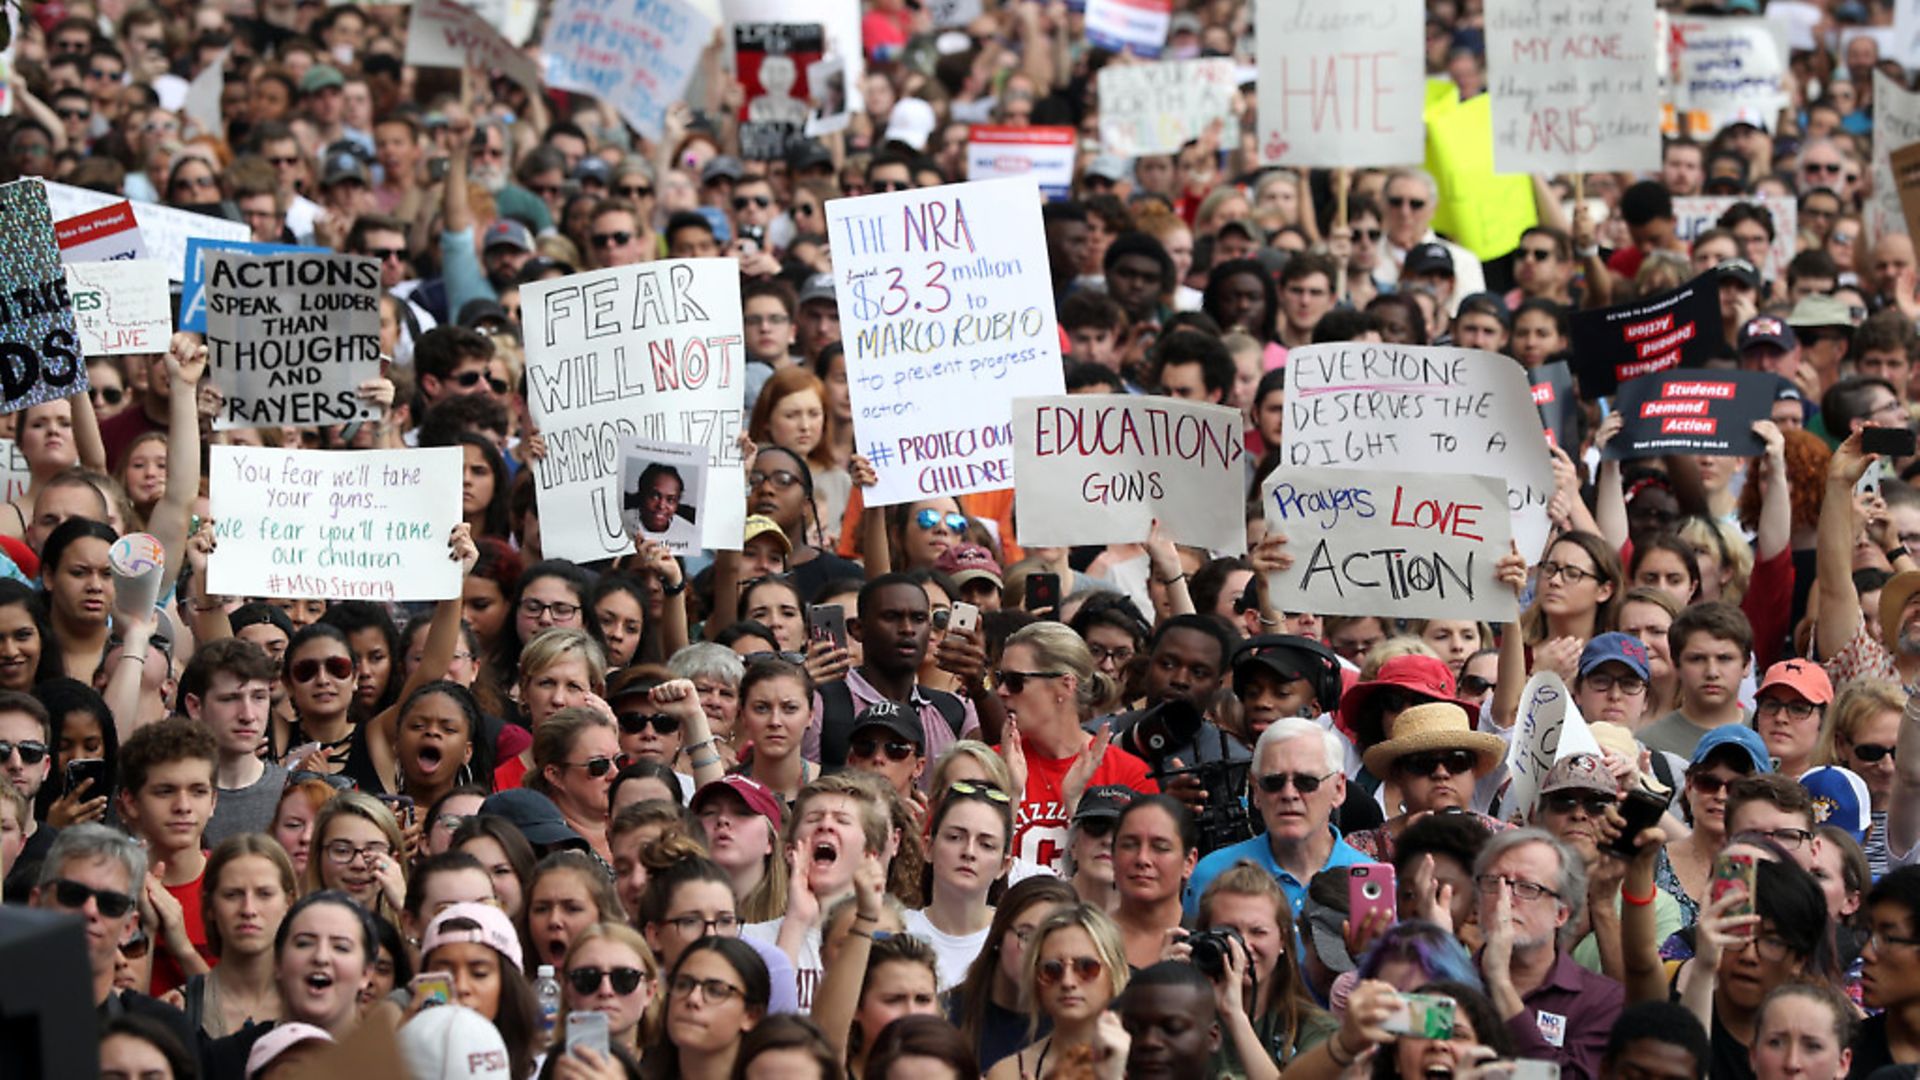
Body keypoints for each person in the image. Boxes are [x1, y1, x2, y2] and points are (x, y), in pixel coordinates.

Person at [1474, 827, 1625, 1080]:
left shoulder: (1602, 1000)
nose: (1505, 898)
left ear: (1561, 913)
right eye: (1493, 883)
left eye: (1527, 887)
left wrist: (1500, 984)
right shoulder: (1450, 979)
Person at [1188, 719, 1366, 925]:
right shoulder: (1211, 873)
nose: (1289, 794)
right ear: (1256, 790)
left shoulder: (1369, 882)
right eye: (1273, 782)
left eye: (1306, 781)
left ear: (1338, 789)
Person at [984, 902, 1130, 1080]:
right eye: (1052, 970)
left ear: (1115, 971)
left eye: (1086, 967)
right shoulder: (1008, 1072)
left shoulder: (1149, 1063)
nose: (1068, 982)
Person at [906, 778, 1013, 990]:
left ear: (1004, 865)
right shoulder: (897, 929)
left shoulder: (1014, 941)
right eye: (955, 837)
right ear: (927, 847)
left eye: (986, 845)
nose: (969, 852)